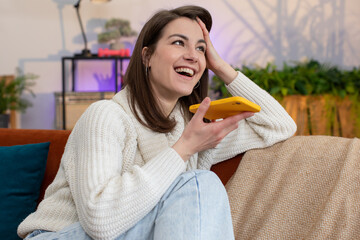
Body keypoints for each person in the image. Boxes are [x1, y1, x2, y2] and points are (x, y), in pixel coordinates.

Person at [18, 5, 297, 240]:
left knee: (200, 183)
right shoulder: (106, 116)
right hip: (58, 235)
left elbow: (279, 125)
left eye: (201, 48)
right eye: (178, 43)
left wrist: (221, 66)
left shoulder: (193, 129)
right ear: (147, 56)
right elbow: (100, 222)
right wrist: (184, 149)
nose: (193, 55)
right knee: (201, 183)